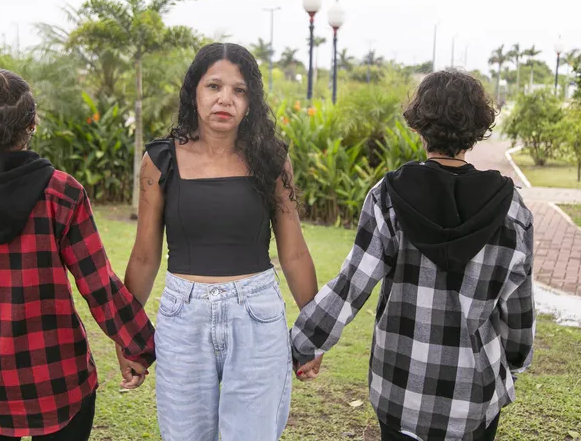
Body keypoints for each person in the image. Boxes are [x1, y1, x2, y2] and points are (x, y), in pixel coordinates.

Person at [292, 70, 535, 441]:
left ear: (419, 127)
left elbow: (352, 285)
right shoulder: (511, 208)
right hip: (475, 394)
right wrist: (513, 364)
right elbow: (518, 310)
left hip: (400, 389)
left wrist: (304, 344)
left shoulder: (388, 196)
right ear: (478, 130)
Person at [0, 68, 155, 441]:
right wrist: (137, 343)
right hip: (60, 381)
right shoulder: (62, 193)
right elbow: (98, 283)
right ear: (32, 123)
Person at [119, 42, 320, 441]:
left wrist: (315, 330)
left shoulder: (272, 161)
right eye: (214, 86)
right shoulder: (159, 161)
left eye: (239, 90)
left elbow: (294, 252)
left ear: (251, 101)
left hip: (257, 318)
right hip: (182, 318)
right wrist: (129, 337)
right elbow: (144, 257)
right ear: (194, 91)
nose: (225, 98)